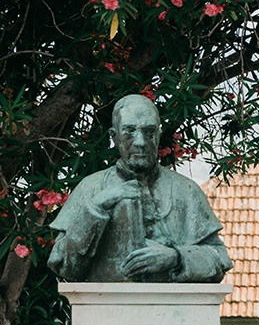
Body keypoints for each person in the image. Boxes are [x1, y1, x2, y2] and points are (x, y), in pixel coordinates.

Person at [49, 94, 232, 283]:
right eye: (129, 131)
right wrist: (96, 209)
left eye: (149, 132)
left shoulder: (187, 191)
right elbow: (66, 268)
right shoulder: (91, 189)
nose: (140, 142)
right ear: (114, 136)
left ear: (158, 136)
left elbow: (219, 260)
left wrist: (175, 258)